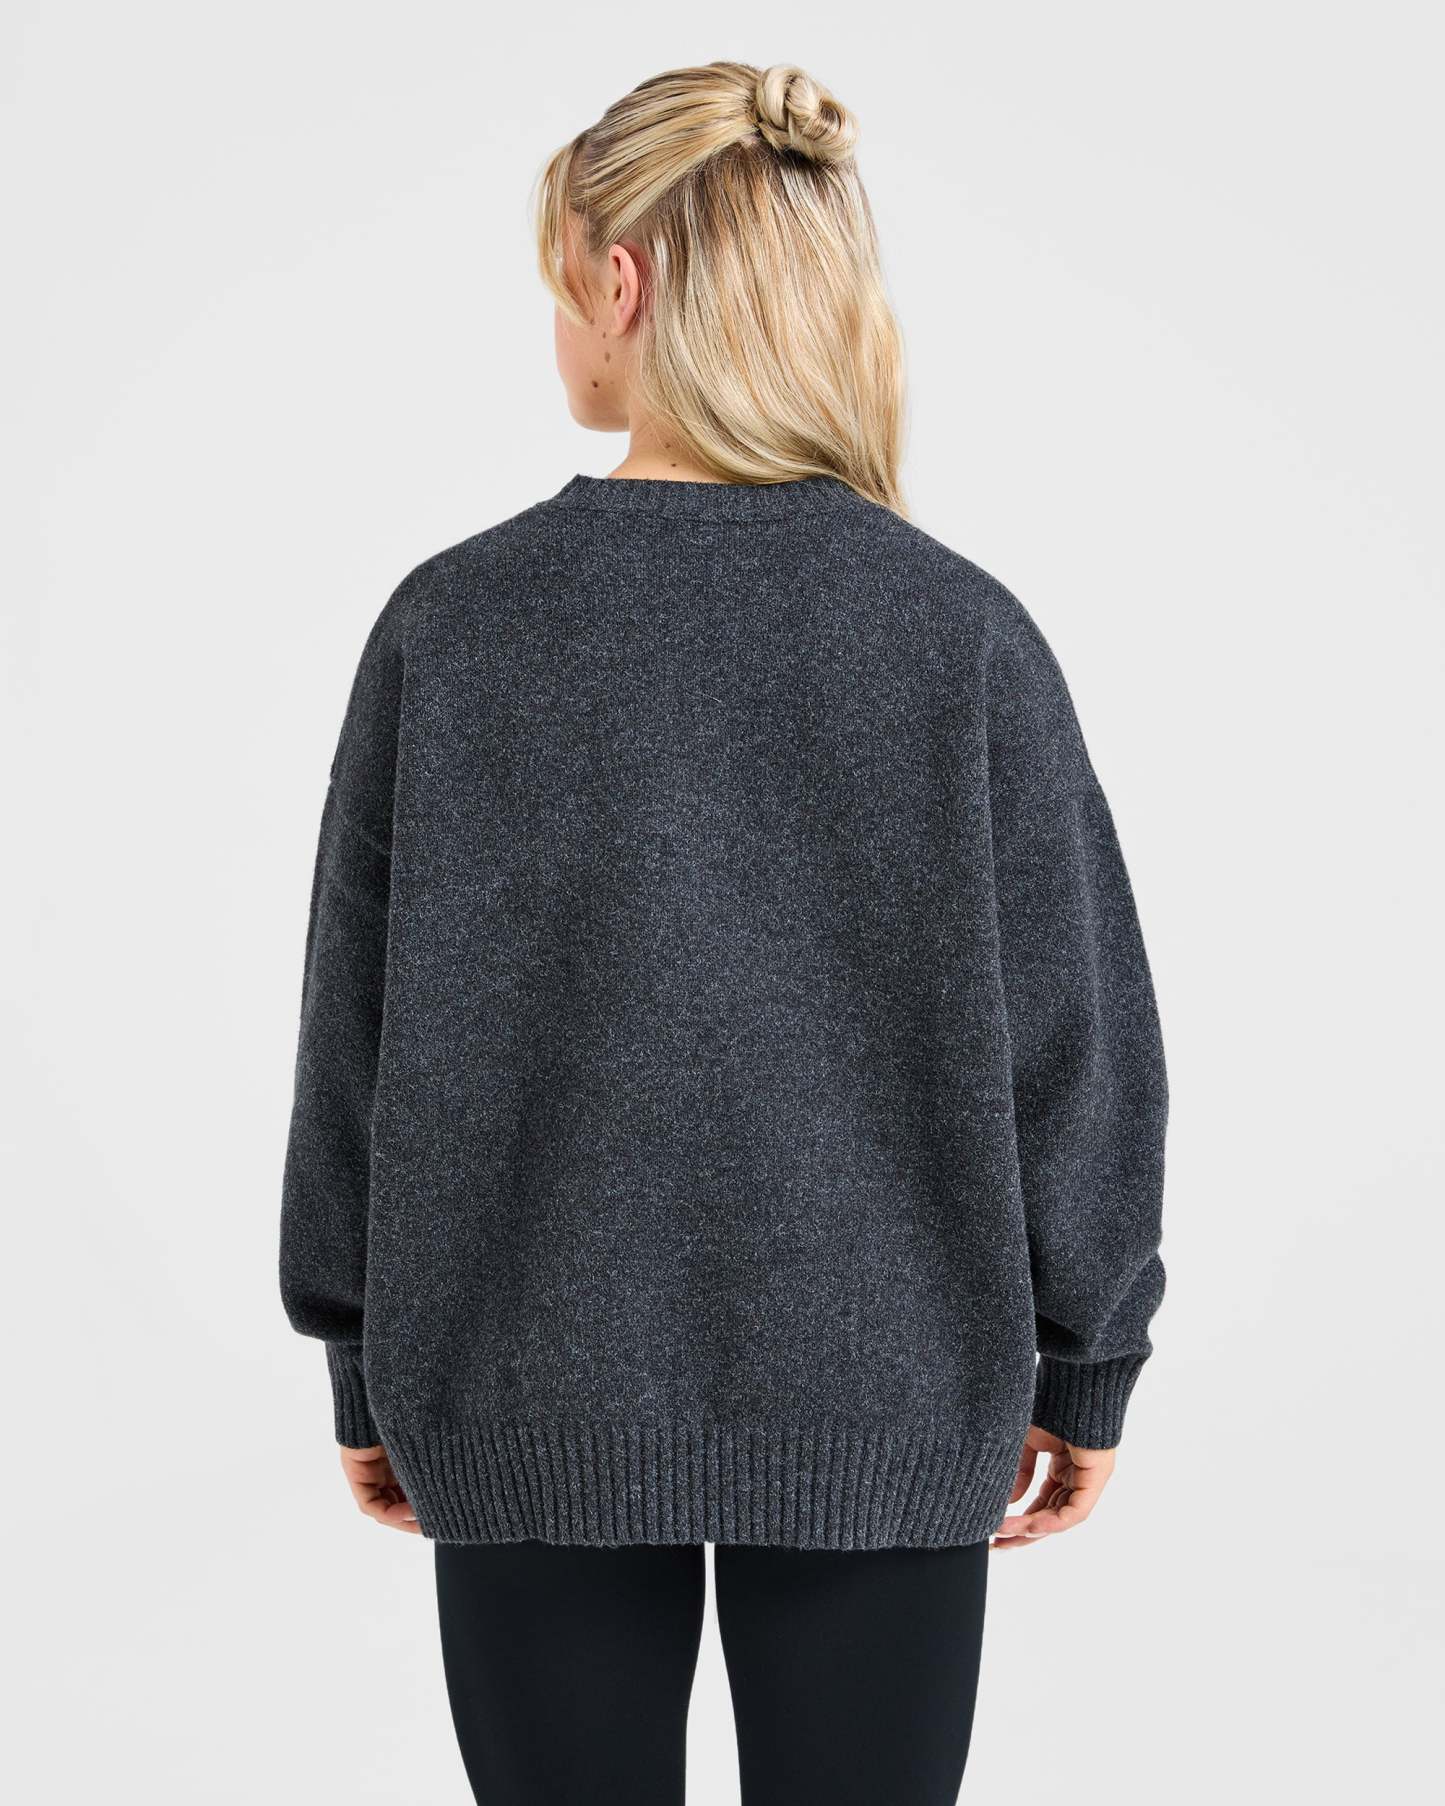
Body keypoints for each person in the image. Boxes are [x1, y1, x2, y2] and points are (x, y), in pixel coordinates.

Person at [279, 60, 1168, 1806]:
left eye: (557, 284)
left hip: (519, 1381)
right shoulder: (957, 634)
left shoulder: (454, 627)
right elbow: (1078, 1039)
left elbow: (355, 1041)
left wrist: (362, 1350)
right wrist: (1089, 1351)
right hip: (886, 1390)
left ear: (618, 283)